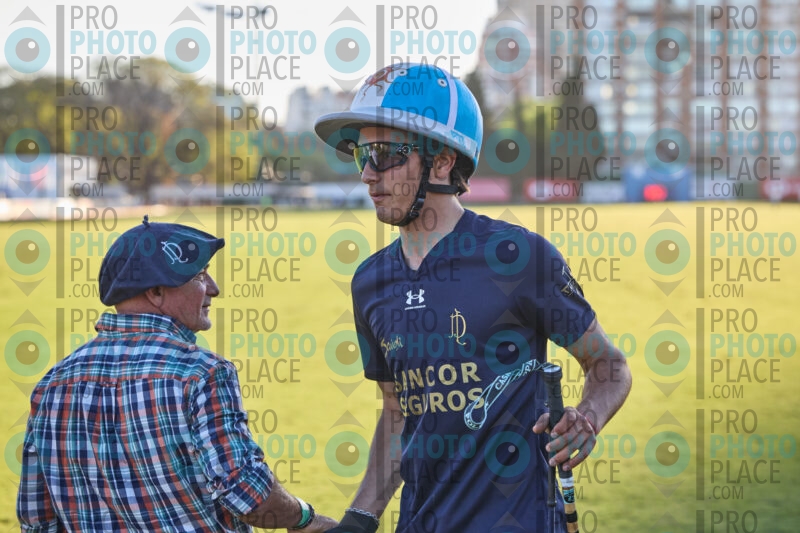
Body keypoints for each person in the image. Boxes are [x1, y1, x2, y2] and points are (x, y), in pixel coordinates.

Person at [314, 63, 632, 532]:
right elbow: (398, 412)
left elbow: (609, 365)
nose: (366, 174)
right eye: (361, 154)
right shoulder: (370, 282)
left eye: (383, 154)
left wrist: (588, 417)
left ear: (442, 162)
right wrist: (361, 517)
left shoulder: (519, 257)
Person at [16, 216, 338, 532]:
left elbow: (37, 519)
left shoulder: (52, 384)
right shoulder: (202, 373)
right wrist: (307, 518)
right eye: (199, 276)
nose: (214, 289)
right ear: (156, 292)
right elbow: (247, 495)